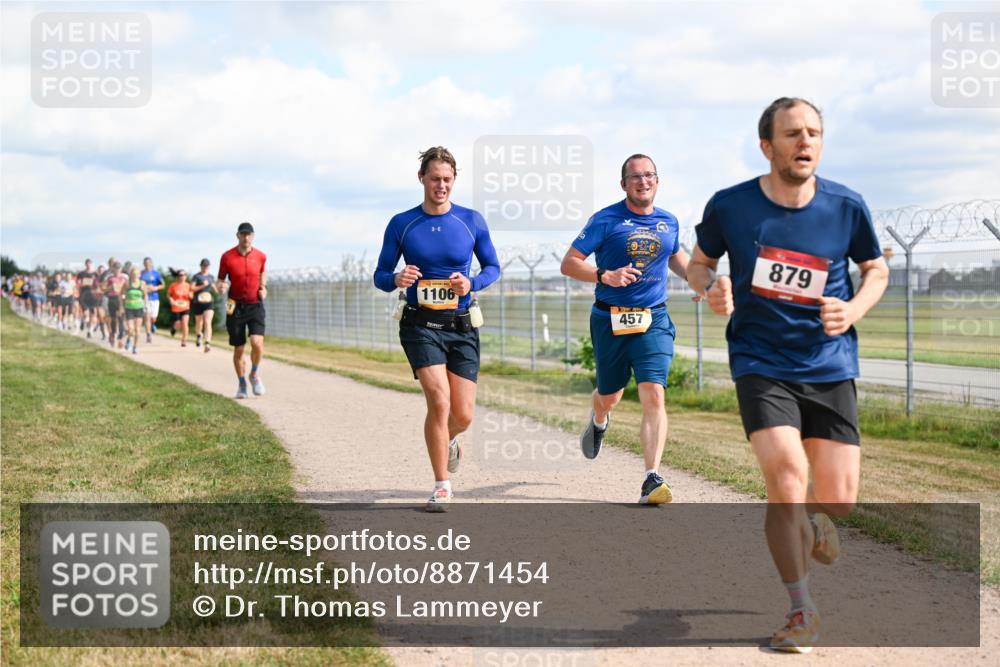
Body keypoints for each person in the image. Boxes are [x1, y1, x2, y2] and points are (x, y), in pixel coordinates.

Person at [687, 97, 889, 653]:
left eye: (815, 133)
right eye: (794, 133)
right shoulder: (732, 207)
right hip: (760, 361)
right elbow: (700, 263)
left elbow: (875, 268)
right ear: (767, 145)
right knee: (785, 475)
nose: (806, 142)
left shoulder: (847, 206)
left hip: (829, 364)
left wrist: (854, 309)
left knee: (839, 500)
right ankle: (802, 610)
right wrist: (710, 288)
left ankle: (822, 522)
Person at [373, 146, 500, 512]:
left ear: (454, 180)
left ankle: (450, 440)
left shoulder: (471, 221)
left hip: (461, 325)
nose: (440, 185)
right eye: (434, 179)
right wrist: (397, 277)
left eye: (447, 179)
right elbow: (381, 275)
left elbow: (493, 267)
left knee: (463, 414)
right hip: (419, 323)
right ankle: (441, 485)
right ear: (421, 179)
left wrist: (471, 283)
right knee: (439, 401)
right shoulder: (402, 223)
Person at [561, 154, 691, 505]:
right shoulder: (605, 220)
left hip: (654, 319)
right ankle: (599, 418)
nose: (643, 181)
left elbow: (675, 256)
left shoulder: (669, 221)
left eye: (649, 175)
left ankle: (651, 477)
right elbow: (569, 263)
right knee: (611, 395)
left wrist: (701, 282)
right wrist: (605, 275)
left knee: (654, 393)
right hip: (610, 319)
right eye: (635, 177)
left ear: (657, 180)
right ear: (623, 184)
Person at [217, 222, 268, 399]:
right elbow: (220, 280)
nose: (246, 238)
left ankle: (253, 374)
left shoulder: (261, 256)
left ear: (253, 236)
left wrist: (264, 288)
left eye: (249, 235)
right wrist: (221, 287)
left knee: (257, 343)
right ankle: (241, 384)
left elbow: (263, 274)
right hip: (235, 306)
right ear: (237, 236)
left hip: (255, 305)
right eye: (243, 234)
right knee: (239, 349)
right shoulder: (227, 257)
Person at [190, 258, 217, 353]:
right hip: (198, 302)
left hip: (209, 302)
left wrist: (218, 288)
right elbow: (192, 288)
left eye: (207, 266)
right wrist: (202, 286)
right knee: (199, 323)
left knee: (207, 321)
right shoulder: (196, 276)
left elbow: (215, 288)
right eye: (203, 265)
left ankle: (207, 343)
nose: (205, 267)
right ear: (200, 266)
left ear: (209, 267)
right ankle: (198, 335)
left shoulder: (211, 277)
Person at [102, 262, 127, 348]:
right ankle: (112, 334)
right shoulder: (109, 278)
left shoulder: (125, 278)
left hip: (122, 299)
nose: (117, 270)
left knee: (121, 318)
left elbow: (128, 288)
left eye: (119, 268)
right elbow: (103, 289)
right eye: (116, 268)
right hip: (112, 299)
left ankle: (120, 338)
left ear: (121, 269)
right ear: (113, 269)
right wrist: (110, 288)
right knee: (113, 319)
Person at [122, 266, 147, 354]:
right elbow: (121, 294)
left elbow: (145, 295)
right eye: (133, 274)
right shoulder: (127, 284)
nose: (134, 276)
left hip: (139, 308)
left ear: (139, 275)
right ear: (130, 275)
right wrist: (122, 305)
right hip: (129, 308)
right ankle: (129, 338)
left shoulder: (142, 284)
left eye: (136, 274)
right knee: (130, 329)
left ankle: (135, 347)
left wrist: (145, 305)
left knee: (137, 329)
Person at [140, 257, 164, 343]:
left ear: (151, 264)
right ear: (144, 264)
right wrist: (144, 288)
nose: (147, 265)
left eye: (148, 263)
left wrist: (155, 288)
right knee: (147, 316)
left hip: (154, 298)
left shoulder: (156, 274)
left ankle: (153, 324)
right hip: (145, 298)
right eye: (145, 263)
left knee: (153, 318)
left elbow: (163, 285)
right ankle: (148, 334)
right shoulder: (141, 274)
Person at [167, 269, 193, 347]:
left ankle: (184, 340)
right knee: (178, 324)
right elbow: (168, 294)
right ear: (178, 277)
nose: (182, 277)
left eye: (184, 275)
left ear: (185, 276)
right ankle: (174, 328)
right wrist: (171, 299)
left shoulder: (188, 285)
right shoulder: (173, 285)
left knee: (185, 323)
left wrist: (190, 295)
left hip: (186, 307)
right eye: (180, 275)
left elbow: (192, 296)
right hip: (176, 307)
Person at [77, 259, 100, 337]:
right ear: (85, 265)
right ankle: (83, 321)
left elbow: (98, 284)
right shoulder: (81, 273)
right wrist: (84, 283)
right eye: (87, 264)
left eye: (90, 264)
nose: (88, 265)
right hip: (84, 294)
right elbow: (78, 283)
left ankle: (90, 330)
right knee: (86, 313)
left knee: (93, 313)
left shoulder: (95, 274)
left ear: (92, 264)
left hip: (93, 295)